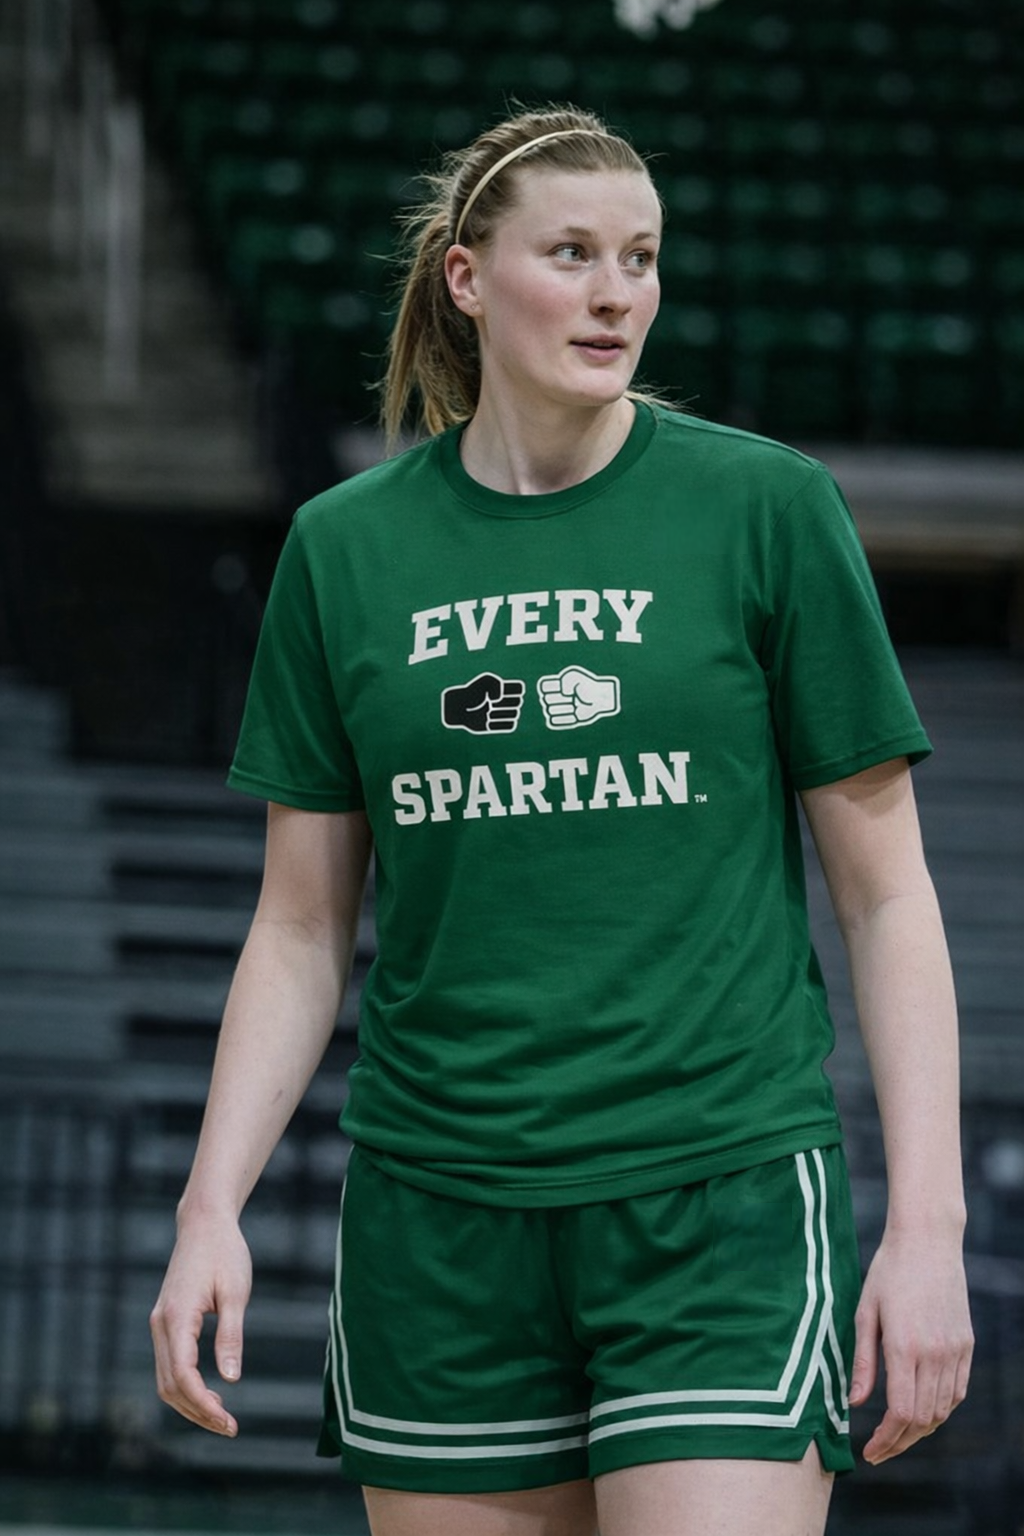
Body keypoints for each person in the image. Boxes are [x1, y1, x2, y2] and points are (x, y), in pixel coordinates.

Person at [150, 104, 974, 1536]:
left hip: (712, 1197)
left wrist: (928, 1226)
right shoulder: (346, 551)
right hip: (439, 1215)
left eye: (642, 258)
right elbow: (298, 924)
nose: (616, 294)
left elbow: (891, 896)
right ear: (468, 278)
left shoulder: (765, 509)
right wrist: (210, 1205)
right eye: (575, 252)